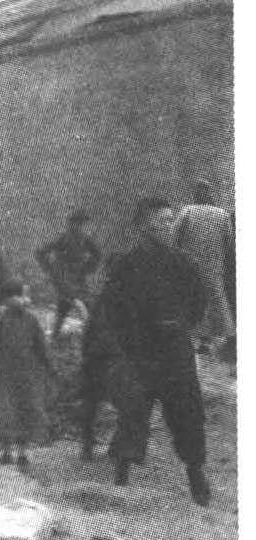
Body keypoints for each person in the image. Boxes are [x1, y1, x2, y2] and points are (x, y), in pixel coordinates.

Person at [99, 197, 210, 505]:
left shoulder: (183, 263)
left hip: (175, 351)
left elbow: (199, 302)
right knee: (132, 411)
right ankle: (121, 475)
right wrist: (130, 341)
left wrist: (180, 324)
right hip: (140, 352)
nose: (169, 226)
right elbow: (111, 307)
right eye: (162, 220)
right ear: (144, 226)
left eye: (171, 220)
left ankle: (196, 474)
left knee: (187, 413)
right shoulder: (126, 265)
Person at [0, 280, 50, 467]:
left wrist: (46, 365)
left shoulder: (29, 318)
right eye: (19, 296)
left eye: (23, 296)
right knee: (8, 413)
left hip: (23, 375)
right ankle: (9, 453)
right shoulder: (0, 318)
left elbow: (41, 345)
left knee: (22, 411)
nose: (23, 300)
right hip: (7, 374)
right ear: (9, 298)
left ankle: (19, 453)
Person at [175, 181, 235, 354]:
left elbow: (175, 236)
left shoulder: (187, 211)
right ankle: (228, 338)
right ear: (210, 194)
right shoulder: (222, 214)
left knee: (195, 300)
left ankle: (204, 340)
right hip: (214, 265)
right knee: (217, 299)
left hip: (190, 265)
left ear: (196, 195)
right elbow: (229, 241)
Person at [34, 209, 101, 337]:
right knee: (65, 305)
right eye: (77, 224)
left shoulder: (85, 240)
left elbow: (97, 255)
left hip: (79, 279)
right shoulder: (63, 239)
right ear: (71, 224)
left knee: (85, 306)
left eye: (82, 224)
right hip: (65, 279)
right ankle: (56, 336)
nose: (80, 227)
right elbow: (41, 252)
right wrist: (50, 269)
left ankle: (91, 336)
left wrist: (87, 268)